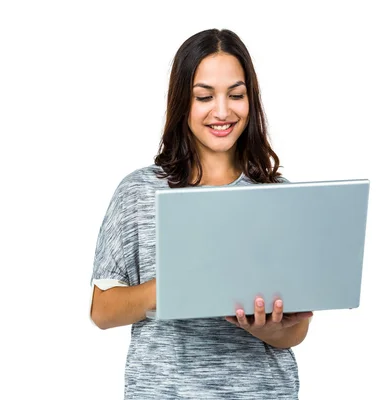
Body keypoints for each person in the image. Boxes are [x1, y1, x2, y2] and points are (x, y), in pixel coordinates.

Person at [89, 28, 314, 399]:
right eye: (204, 96)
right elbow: (102, 311)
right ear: (183, 102)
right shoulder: (139, 191)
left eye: (236, 95)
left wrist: (259, 325)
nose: (222, 111)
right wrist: (170, 290)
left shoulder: (277, 194)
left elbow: (296, 332)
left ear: (250, 101)